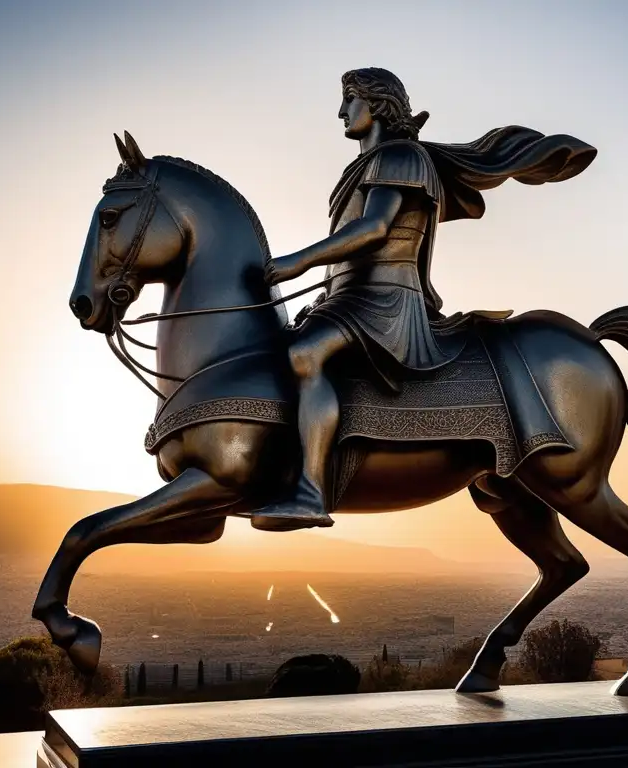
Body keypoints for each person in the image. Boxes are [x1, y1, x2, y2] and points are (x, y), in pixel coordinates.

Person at [254, 67, 597, 532]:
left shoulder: (401, 156)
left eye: (349, 98)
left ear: (378, 104)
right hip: (344, 300)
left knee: (304, 354)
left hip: (383, 302)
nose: (341, 111)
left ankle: (311, 493)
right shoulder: (367, 164)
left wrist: (300, 259)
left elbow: (374, 229)